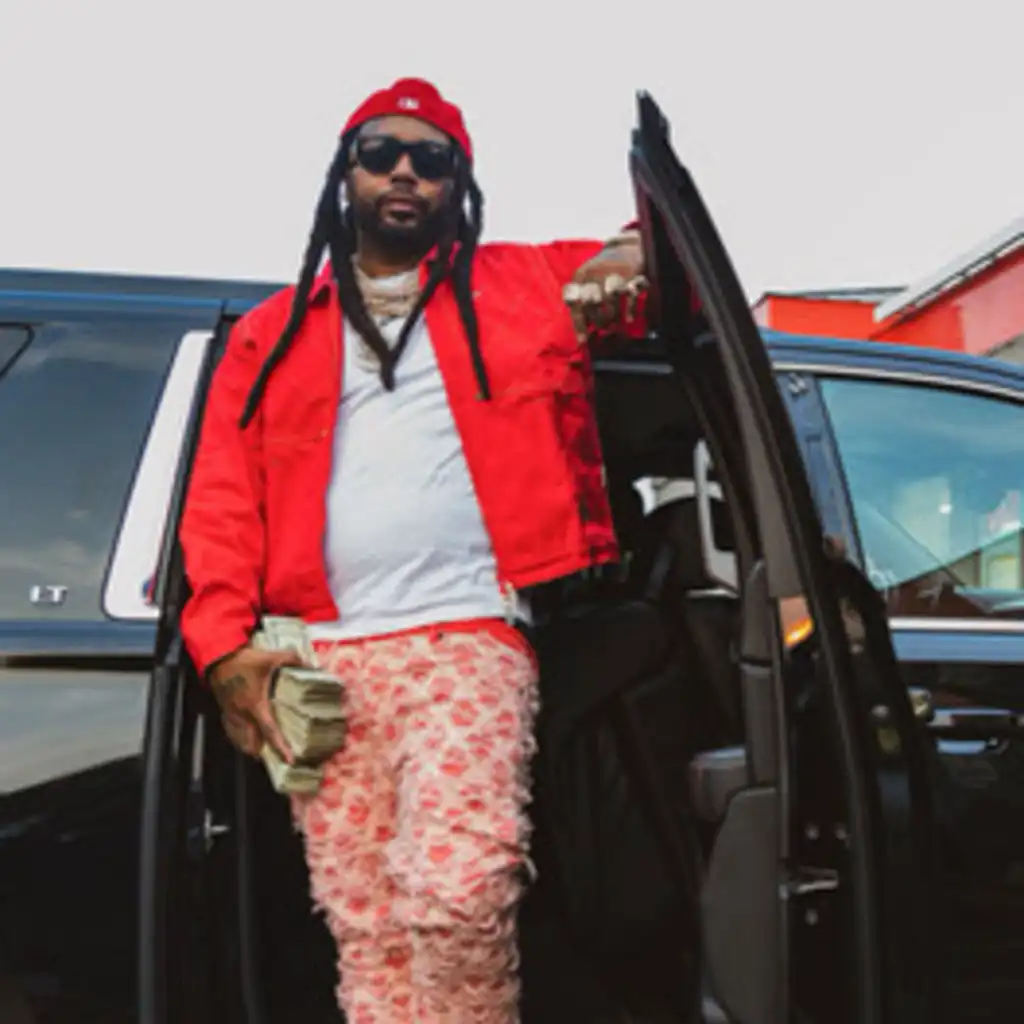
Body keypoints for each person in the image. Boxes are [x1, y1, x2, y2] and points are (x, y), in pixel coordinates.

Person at [179, 77, 646, 1023]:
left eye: (431, 159)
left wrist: (630, 252)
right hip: (322, 658)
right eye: (380, 153)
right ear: (344, 173)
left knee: (461, 890)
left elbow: (676, 277)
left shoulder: (526, 285)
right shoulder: (271, 333)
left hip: (466, 637)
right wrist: (224, 649)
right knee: (365, 923)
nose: (404, 172)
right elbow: (222, 501)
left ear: (457, 186)